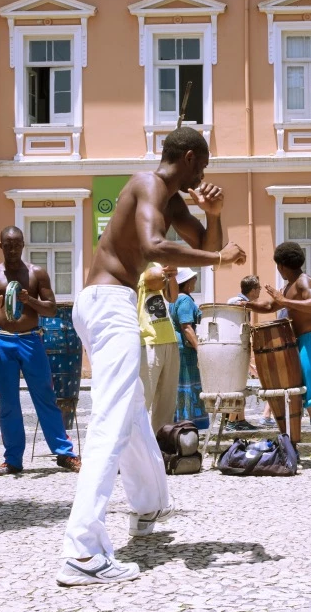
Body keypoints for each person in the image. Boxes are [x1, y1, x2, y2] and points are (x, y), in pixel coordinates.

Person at [56, 126, 246, 586]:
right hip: (108, 303)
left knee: (133, 413)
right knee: (111, 417)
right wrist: (219, 261)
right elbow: (152, 248)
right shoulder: (147, 184)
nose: (204, 174)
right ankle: (82, 552)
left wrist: (215, 214)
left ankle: (146, 508)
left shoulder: (172, 198)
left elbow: (208, 243)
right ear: (185, 156)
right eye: (201, 164)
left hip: (110, 304)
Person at [0, 226, 81, 476]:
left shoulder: (37, 274)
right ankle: (13, 459)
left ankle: (65, 454)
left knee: (45, 397)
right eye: (7, 244)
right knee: (8, 402)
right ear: (0, 246)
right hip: (3, 341)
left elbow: (52, 309)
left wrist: (29, 301)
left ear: (23, 245)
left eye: (17, 244)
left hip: (31, 340)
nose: (12, 249)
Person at [239, 241, 311, 468]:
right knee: (295, 395)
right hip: (298, 342)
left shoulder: (304, 281)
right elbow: (269, 306)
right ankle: (293, 447)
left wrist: (286, 301)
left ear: (282, 266)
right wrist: (247, 305)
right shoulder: (288, 286)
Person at [138, 262, 181, 433]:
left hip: (168, 337)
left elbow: (172, 298)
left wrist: (171, 276)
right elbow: (151, 279)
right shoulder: (132, 265)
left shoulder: (156, 263)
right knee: (143, 401)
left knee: (166, 404)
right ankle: (137, 449)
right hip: (147, 340)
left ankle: (161, 448)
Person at [170, 268, 208, 430]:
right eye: (193, 279)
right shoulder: (184, 300)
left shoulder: (176, 298)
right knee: (188, 384)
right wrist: (200, 349)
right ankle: (187, 422)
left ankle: (181, 420)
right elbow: (187, 327)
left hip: (180, 348)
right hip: (186, 350)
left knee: (182, 384)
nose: (195, 282)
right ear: (186, 282)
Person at [225, 275, 261, 432]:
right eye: (258, 288)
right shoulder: (237, 302)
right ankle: (232, 421)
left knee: (241, 384)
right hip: (235, 347)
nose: (260, 291)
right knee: (236, 385)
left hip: (239, 346)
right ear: (253, 290)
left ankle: (240, 420)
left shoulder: (245, 302)